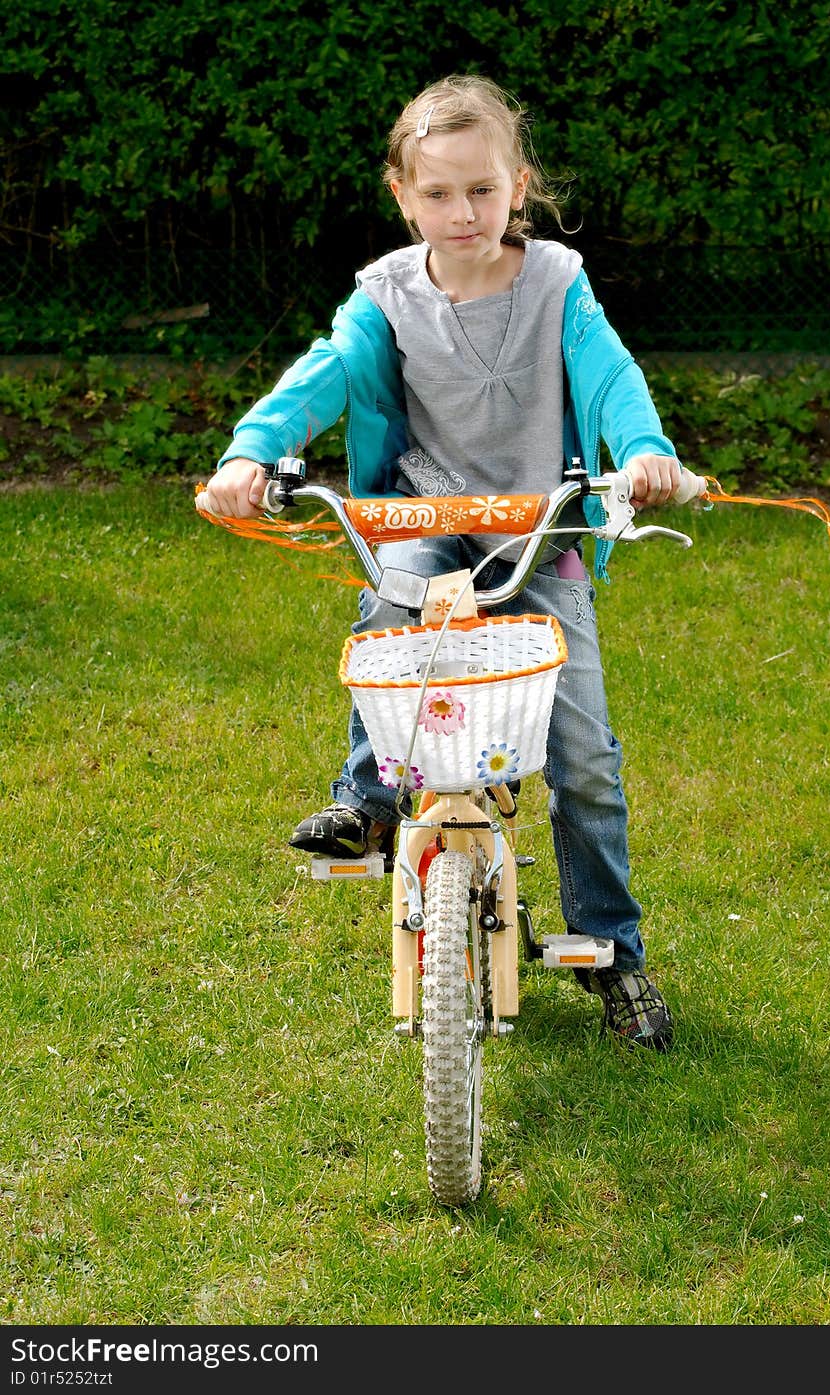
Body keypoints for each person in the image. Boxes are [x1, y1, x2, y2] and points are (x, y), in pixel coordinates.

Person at [200, 74, 683, 1050]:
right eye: (436, 193)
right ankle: (369, 801)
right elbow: (323, 374)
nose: (460, 212)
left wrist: (642, 454)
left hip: (535, 531)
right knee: (393, 606)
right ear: (400, 194)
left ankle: (612, 955)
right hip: (425, 505)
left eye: (481, 190)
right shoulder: (385, 295)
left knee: (584, 760)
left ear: (519, 186)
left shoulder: (555, 286)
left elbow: (610, 378)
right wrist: (250, 453)